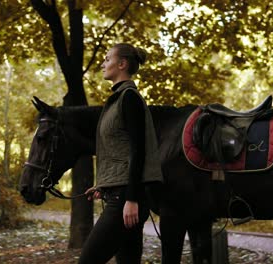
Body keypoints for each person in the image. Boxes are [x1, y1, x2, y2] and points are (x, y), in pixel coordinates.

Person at [79, 43, 163, 264]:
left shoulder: (129, 98)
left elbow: (139, 150)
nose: (103, 63)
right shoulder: (117, 100)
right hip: (120, 194)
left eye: (107, 59)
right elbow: (120, 150)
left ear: (122, 64)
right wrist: (104, 184)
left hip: (126, 200)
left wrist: (132, 198)